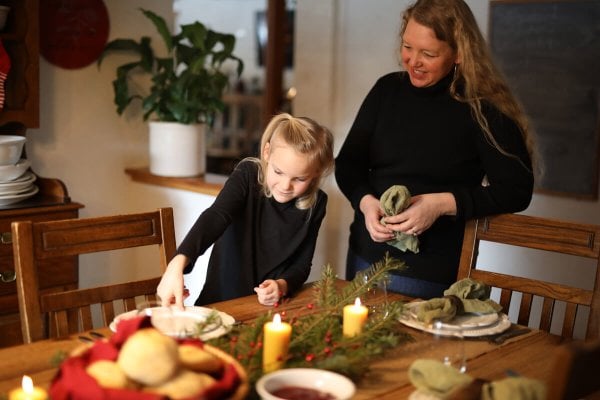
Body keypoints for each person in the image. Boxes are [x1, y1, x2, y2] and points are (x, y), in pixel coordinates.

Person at [335, 0, 536, 299]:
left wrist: (441, 204)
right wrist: (365, 203)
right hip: (364, 255)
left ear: (458, 54)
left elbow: (516, 190)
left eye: (428, 54)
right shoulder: (386, 90)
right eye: (407, 46)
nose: (412, 61)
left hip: (429, 272)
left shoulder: (483, 108)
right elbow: (348, 164)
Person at [157, 113, 335, 308]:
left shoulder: (317, 203)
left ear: (316, 173)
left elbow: (301, 266)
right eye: (278, 172)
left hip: (272, 311)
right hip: (222, 303)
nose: (285, 185)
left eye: (299, 179)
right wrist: (177, 263)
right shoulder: (248, 175)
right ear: (267, 152)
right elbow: (216, 216)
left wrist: (281, 286)